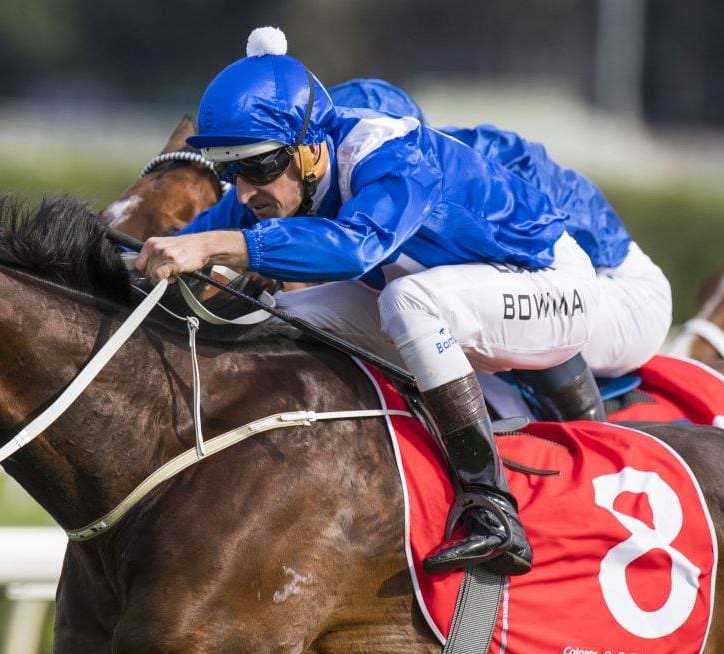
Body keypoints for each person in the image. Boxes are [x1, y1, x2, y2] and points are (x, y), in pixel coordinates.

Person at [134, 27, 660, 577]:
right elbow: (186, 239)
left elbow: (354, 248)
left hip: (554, 286)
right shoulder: (275, 182)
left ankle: (494, 509)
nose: (244, 192)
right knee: (285, 316)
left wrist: (218, 247)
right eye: (230, 170)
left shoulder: (391, 153)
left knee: (407, 300)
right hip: (463, 300)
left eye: (258, 167)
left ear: (311, 148)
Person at [329, 78, 673, 405]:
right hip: (575, 282)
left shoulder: (471, 165)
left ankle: (586, 432)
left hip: (623, 293)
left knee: (481, 310)